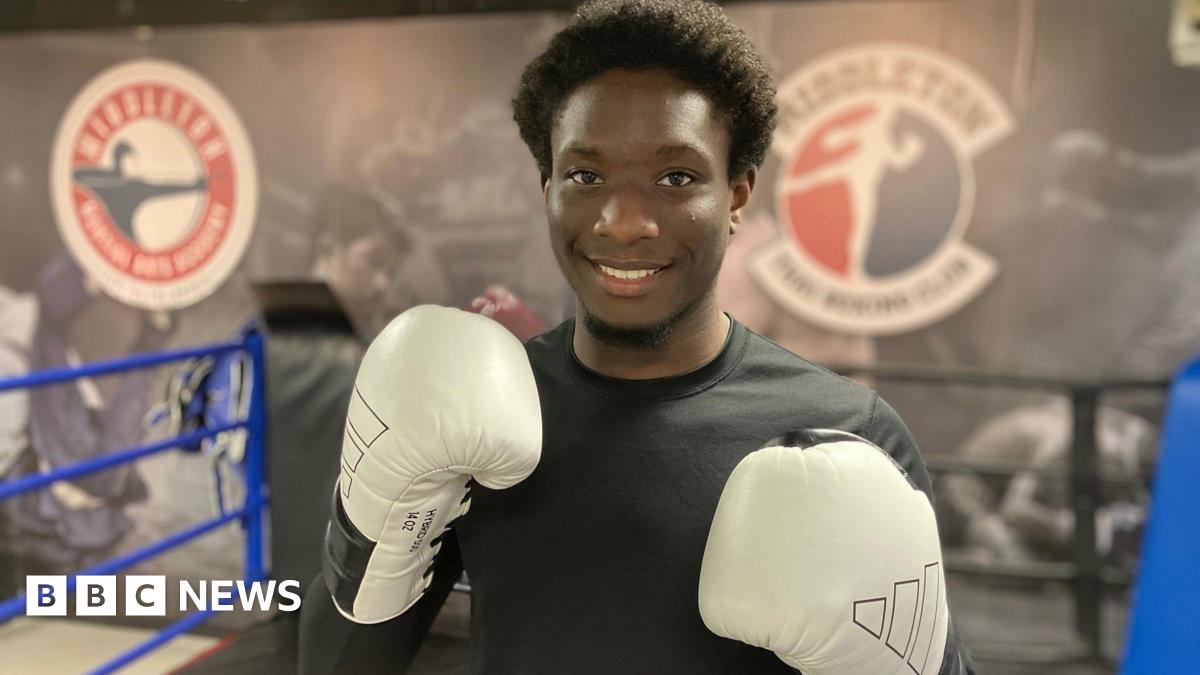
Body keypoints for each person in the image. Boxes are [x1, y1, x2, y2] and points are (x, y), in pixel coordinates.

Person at [299, 1, 975, 672]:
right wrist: (366, 529)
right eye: (586, 176)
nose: (623, 222)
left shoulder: (846, 430)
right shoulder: (484, 403)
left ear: (737, 196)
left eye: (675, 177)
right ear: (548, 187)